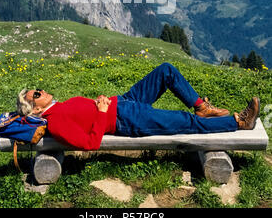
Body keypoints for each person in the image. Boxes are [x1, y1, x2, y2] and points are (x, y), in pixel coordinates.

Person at [17, 62, 260, 151]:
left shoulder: (58, 107)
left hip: (123, 101)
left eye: (37, 89)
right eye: (36, 94)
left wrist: (99, 103)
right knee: (184, 122)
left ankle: (201, 106)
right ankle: (239, 122)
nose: (41, 90)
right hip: (127, 119)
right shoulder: (55, 122)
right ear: (36, 109)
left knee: (166, 71)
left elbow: (84, 113)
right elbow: (89, 143)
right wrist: (102, 112)